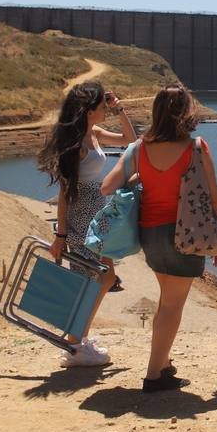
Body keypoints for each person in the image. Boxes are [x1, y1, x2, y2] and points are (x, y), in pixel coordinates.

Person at [100, 85, 217, 393]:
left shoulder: (139, 149)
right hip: (186, 235)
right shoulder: (197, 147)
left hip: (151, 235)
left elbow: (106, 187)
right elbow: (215, 195)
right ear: (186, 112)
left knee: (165, 301)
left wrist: (138, 176)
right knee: (172, 305)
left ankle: (164, 364)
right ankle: (154, 375)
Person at [36, 81, 137, 367]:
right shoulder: (75, 143)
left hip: (98, 213)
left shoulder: (92, 133)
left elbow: (130, 141)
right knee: (94, 278)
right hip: (84, 214)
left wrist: (120, 109)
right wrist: (61, 235)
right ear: (89, 109)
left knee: (99, 278)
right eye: (103, 105)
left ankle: (77, 340)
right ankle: (75, 343)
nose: (106, 107)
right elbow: (65, 193)